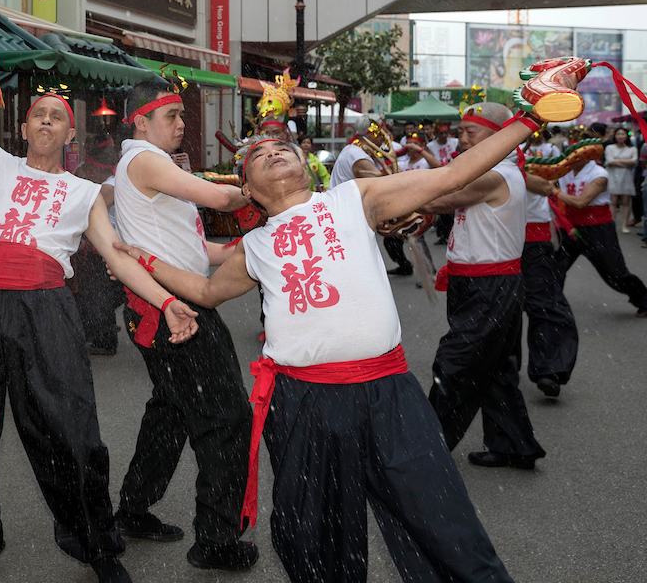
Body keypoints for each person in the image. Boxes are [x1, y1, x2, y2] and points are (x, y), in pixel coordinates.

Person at [112, 108, 550, 582]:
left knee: (445, 524)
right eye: (258, 155)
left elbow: (454, 174)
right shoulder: (255, 245)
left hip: (390, 394)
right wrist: (144, 258)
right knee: (315, 541)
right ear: (250, 192)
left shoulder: (355, 198)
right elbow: (204, 291)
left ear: (306, 168)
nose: (274, 151)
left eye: (283, 148)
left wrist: (531, 117)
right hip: (305, 404)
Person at [0, 81, 200, 583]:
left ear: (70, 133)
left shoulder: (85, 192)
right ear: (24, 128)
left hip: (46, 310)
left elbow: (116, 254)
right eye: (39, 115)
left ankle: (98, 546)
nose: (47, 121)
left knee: (72, 435)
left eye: (58, 116)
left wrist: (166, 300)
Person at [114, 81, 258, 573]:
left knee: (171, 411)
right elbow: (220, 199)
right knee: (226, 418)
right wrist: (273, 191)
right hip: (175, 308)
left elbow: (202, 250)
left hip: (166, 302)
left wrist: (251, 248)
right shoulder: (142, 157)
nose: (181, 124)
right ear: (140, 120)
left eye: (181, 115)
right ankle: (215, 540)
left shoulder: (159, 167)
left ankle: (133, 508)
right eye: (171, 115)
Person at [419, 102, 545, 471]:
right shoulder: (491, 170)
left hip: (489, 286)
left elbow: (438, 198)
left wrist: (383, 200)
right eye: (460, 131)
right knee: (495, 368)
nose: (461, 138)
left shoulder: (497, 174)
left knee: (454, 363)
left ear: (498, 136)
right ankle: (515, 446)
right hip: (480, 283)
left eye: (469, 131)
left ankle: (424, 447)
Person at [556, 156, 647, 319]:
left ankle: (644, 300)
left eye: (580, 155)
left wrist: (553, 191)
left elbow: (581, 202)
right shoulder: (563, 170)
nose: (574, 158)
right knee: (555, 268)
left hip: (597, 229)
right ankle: (550, 306)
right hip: (570, 228)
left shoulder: (599, 173)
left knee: (615, 273)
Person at [330, 116, 412, 277]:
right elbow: (382, 186)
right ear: (372, 135)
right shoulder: (358, 156)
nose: (385, 138)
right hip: (345, 217)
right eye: (382, 134)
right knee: (354, 262)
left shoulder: (356, 149)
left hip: (347, 214)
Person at [521, 167, 577, 399]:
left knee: (543, 306)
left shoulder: (516, 160)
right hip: (496, 243)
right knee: (501, 309)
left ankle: (549, 370)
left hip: (533, 243)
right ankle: (493, 371)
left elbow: (546, 186)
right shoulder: (480, 159)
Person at [71, 134, 126, 355]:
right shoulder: (108, 178)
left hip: (110, 249)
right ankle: (97, 330)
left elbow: (90, 205)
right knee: (93, 293)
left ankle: (104, 338)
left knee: (99, 293)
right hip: (101, 248)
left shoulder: (111, 184)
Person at [603, 127, 637, 231]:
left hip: (626, 177)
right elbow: (609, 161)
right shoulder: (609, 147)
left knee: (626, 202)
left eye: (623, 134)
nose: (620, 136)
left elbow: (634, 162)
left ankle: (624, 225)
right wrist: (626, 161)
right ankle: (612, 223)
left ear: (627, 136)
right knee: (612, 201)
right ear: (615, 135)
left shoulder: (632, 148)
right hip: (612, 176)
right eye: (618, 134)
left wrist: (616, 161)